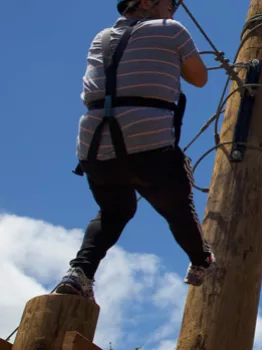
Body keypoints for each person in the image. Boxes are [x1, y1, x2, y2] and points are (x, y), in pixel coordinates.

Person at [54, 0, 212, 302]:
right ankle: (200, 261)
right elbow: (199, 78)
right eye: (169, 3)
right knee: (178, 207)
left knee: (114, 211)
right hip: (148, 141)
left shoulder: (100, 37)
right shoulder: (171, 30)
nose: (173, 10)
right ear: (146, 3)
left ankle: (79, 273)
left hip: (95, 145)